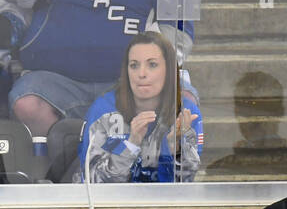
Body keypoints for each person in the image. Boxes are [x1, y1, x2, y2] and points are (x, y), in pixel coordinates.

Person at [5, 0, 191, 145]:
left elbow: (180, 32)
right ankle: (54, 170)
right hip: (58, 80)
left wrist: (148, 73)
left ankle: (139, 169)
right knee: (27, 103)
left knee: (185, 100)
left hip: (126, 84)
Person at [79, 31, 201, 183]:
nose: (141, 74)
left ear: (169, 70)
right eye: (134, 65)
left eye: (152, 65)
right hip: (110, 204)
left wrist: (174, 148)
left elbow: (184, 184)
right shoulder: (103, 111)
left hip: (161, 204)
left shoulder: (186, 112)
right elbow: (92, 182)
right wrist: (131, 145)